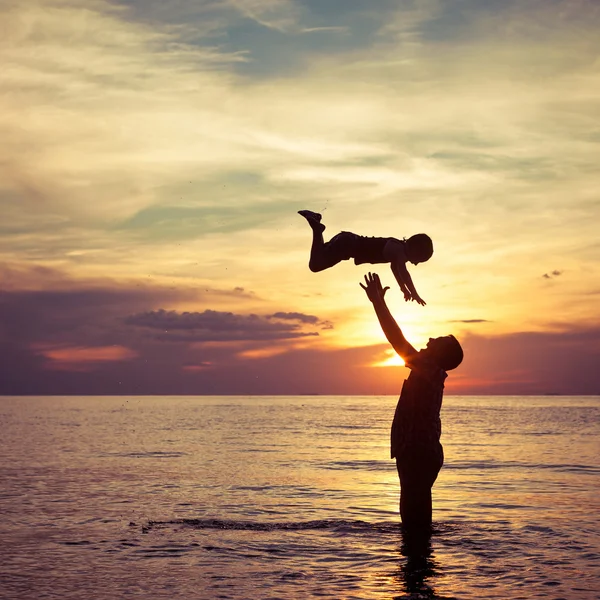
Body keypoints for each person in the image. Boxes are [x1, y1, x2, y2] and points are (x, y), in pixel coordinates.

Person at [360, 271, 463, 532]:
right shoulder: (428, 371)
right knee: (413, 516)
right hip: (417, 449)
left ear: (440, 355)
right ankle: (417, 563)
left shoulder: (429, 371)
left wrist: (378, 303)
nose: (428, 340)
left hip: (418, 450)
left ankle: (418, 565)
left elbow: (398, 341)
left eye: (435, 341)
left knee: (415, 520)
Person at [299, 210, 432, 306]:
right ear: (415, 249)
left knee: (318, 257)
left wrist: (403, 289)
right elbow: (404, 273)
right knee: (315, 264)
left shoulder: (397, 252)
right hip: (348, 245)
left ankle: (316, 223)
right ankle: (317, 229)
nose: (415, 264)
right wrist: (414, 293)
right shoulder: (399, 250)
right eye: (419, 260)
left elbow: (395, 270)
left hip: (347, 241)